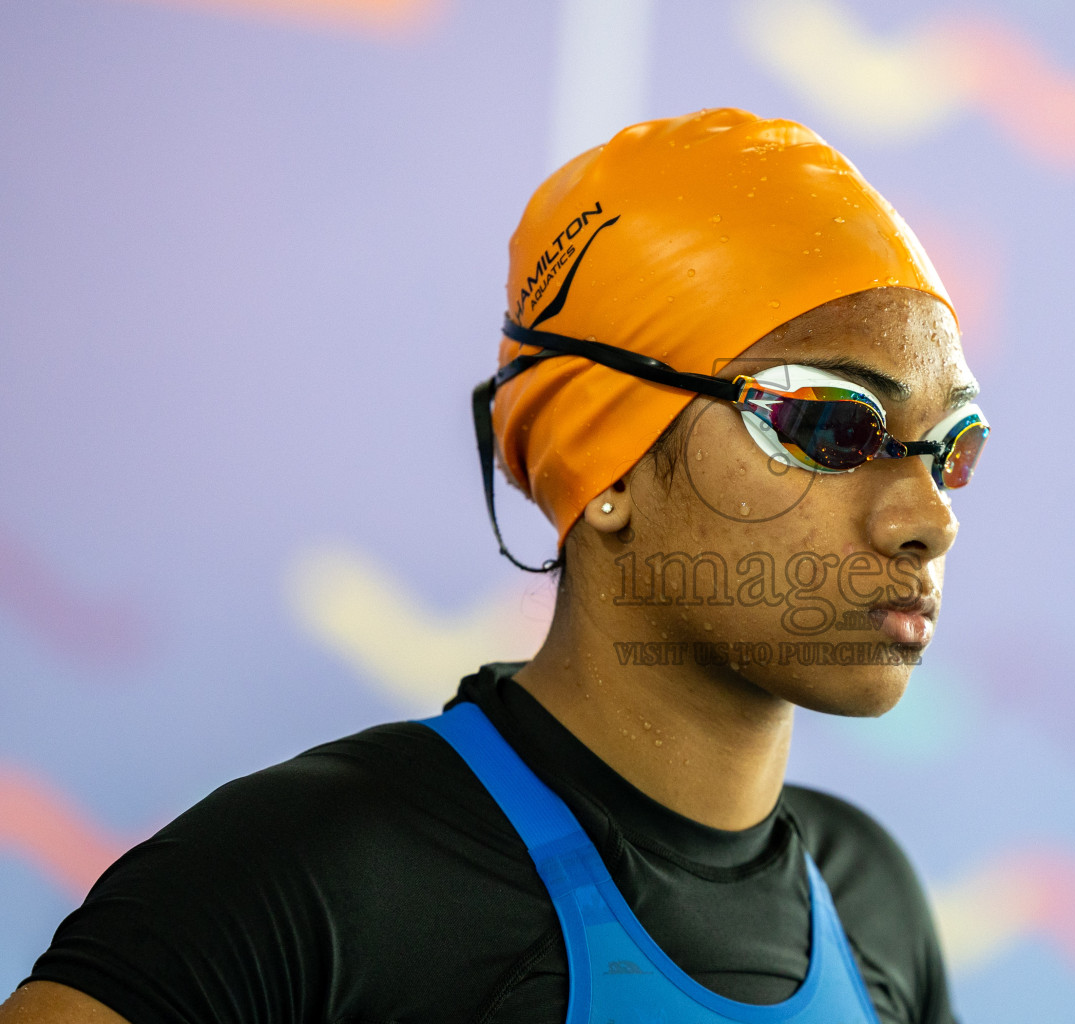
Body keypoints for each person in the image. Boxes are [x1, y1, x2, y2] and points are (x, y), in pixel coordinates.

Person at [2, 108, 987, 1024]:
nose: (928, 515)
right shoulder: (321, 877)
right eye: (830, 425)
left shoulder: (870, 898)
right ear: (604, 461)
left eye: (952, 445)